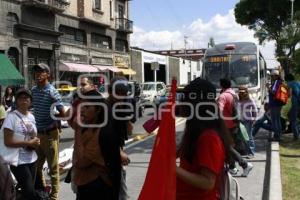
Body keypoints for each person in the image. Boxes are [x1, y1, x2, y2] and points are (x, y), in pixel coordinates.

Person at [176, 78, 231, 200]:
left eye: (184, 99)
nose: (180, 104)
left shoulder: (209, 138)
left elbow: (208, 182)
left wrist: (173, 169)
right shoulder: (196, 133)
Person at [69, 90, 121, 199]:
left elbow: (81, 162)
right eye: (81, 106)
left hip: (96, 187)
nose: (82, 110)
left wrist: (77, 131)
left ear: (97, 111)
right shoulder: (87, 127)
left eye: (87, 107)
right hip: (84, 183)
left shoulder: (100, 133)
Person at [31, 63, 65, 200]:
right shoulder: (33, 90)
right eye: (36, 72)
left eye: (41, 72)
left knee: (53, 168)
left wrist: (53, 117)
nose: (38, 74)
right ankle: (43, 191)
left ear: (48, 74)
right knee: (37, 167)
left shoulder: (52, 91)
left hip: (51, 134)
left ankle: (54, 196)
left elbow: (63, 113)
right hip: (38, 134)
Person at [0, 88, 40, 200]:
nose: (24, 100)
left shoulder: (31, 116)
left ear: (30, 101)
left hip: (32, 158)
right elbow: (7, 141)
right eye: (20, 98)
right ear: (16, 101)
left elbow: (32, 135)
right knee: (30, 193)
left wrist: (36, 141)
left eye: (26, 98)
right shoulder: (11, 117)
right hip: (18, 161)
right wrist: (28, 142)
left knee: (28, 191)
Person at [217, 78, 253, 176]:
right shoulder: (234, 94)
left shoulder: (223, 96)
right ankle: (232, 167)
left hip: (226, 126)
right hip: (235, 124)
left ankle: (245, 164)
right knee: (230, 147)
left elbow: (219, 111)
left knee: (228, 147)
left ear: (221, 85)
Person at [238, 86, 258, 156]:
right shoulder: (238, 100)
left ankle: (251, 153)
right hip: (240, 121)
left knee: (249, 137)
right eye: (240, 92)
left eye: (243, 92)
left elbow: (255, 110)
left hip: (247, 120)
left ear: (246, 92)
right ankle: (245, 151)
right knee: (241, 137)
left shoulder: (250, 100)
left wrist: (254, 119)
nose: (241, 93)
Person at [268, 69, 284, 141]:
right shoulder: (280, 82)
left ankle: (276, 136)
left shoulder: (276, 82)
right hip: (278, 103)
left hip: (274, 104)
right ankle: (279, 135)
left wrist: (268, 87)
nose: (271, 77)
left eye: (272, 76)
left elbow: (273, 92)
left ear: (276, 76)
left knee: (275, 120)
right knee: (277, 120)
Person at [285, 73, 300, 140]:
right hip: (299, 103)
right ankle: (296, 130)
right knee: (293, 118)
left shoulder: (289, 84)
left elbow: (289, 94)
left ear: (287, 79)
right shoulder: (298, 82)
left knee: (293, 119)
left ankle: (296, 136)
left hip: (294, 103)